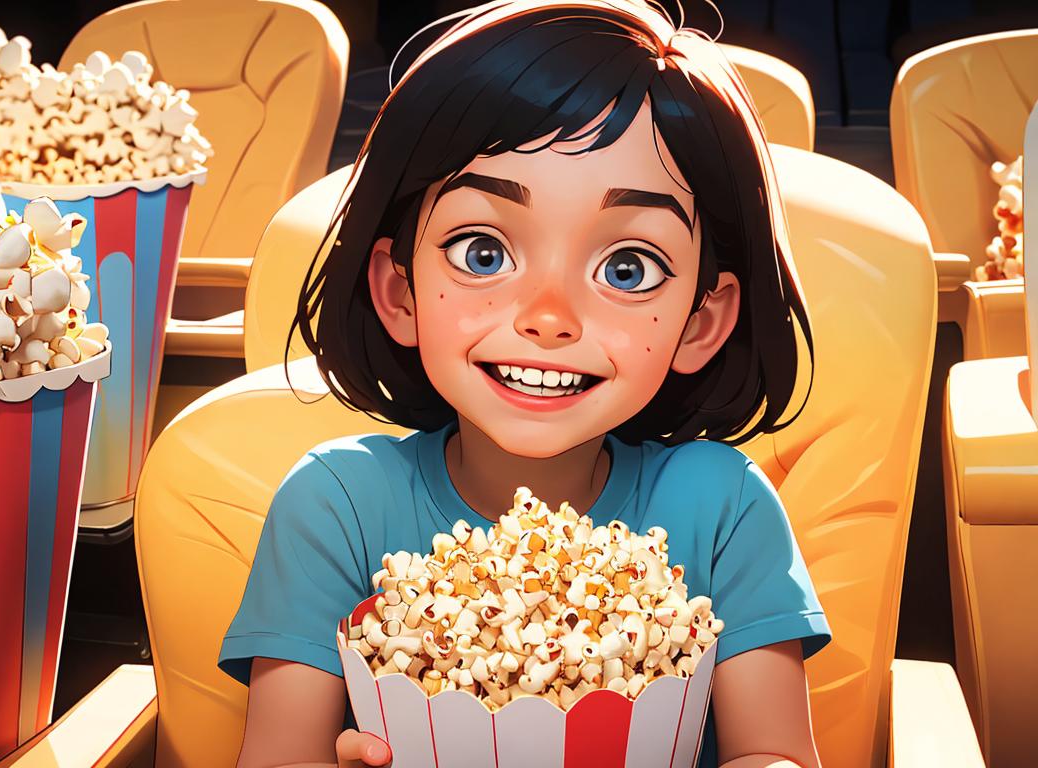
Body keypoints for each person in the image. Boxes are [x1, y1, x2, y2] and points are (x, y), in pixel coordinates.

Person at [219, 2, 831, 766]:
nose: (549, 317)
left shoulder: (722, 507)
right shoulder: (336, 505)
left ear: (702, 322)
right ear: (399, 291)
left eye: (627, 269)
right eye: (481, 251)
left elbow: (773, 754)